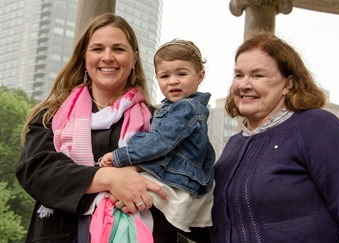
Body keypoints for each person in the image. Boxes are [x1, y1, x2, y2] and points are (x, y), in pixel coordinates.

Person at [16, 13, 168, 242]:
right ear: (84, 57)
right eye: (97, 49)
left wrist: (136, 173)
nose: (108, 57)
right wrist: (108, 178)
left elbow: (181, 172)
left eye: (118, 49)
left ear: (134, 58)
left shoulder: (160, 120)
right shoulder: (52, 115)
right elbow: (37, 170)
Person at [210, 32, 339, 242]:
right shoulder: (234, 145)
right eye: (239, 75)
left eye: (258, 75)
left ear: (288, 84)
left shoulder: (317, 126)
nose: (244, 84)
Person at [100, 39, 215, 242]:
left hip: (175, 178)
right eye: (165, 76)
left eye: (181, 73)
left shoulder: (186, 109)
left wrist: (121, 156)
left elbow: (160, 142)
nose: (173, 81)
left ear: (200, 75)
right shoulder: (173, 108)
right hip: (173, 174)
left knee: (119, 199)